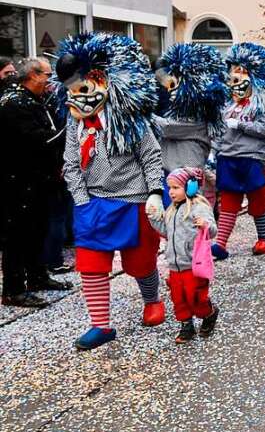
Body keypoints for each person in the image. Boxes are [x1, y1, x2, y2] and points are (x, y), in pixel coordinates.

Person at [56, 33, 166, 351]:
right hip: (93, 201)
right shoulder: (76, 122)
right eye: (70, 91)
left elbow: (151, 156)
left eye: (81, 87)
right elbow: (70, 164)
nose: (75, 96)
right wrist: (81, 201)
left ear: (99, 79)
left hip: (134, 201)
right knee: (90, 264)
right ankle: (101, 325)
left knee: (140, 264)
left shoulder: (131, 119)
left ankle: (152, 299)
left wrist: (155, 193)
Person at [0, 57, 71, 307]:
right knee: (18, 234)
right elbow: (38, 140)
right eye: (46, 75)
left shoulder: (35, 99)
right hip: (18, 181)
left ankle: (38, 276)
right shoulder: (14, 103)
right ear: (32, 75)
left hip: (40, 178)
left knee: (37, 229)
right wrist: (71, 129)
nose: (50, 81)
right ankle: (13, 289)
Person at [212, 43, 265, 260]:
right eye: (235, 69)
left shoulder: (263, 103)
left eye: (243, 71)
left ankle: (263, 239)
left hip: (255, 159)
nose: (237, 74)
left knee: (258, 202)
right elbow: (217, 131)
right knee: (229, 202)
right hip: (228, 157)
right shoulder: (224, 102)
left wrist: (240, 125)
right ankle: (221, 244)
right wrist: (213, 152)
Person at [147, 167, 219, 344]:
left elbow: (212, 230)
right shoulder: (172, 210)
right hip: (175, 265)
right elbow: (166, 231)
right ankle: (186, 325)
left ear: (190, 187)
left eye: (176, 188)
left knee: (197, 298)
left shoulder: (198, 207)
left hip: (193, 264)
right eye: (169, 188)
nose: (171, 192)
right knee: (178, 299)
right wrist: (154, 218)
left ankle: (208, 313)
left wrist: (205, 225)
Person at [153, 43, 231, 201]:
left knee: (188, 214)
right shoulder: (179, 111)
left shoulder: (198, 117)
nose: (170, 90)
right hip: (170, 172)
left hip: (187, 174)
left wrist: (142, 114)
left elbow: (167, 127)